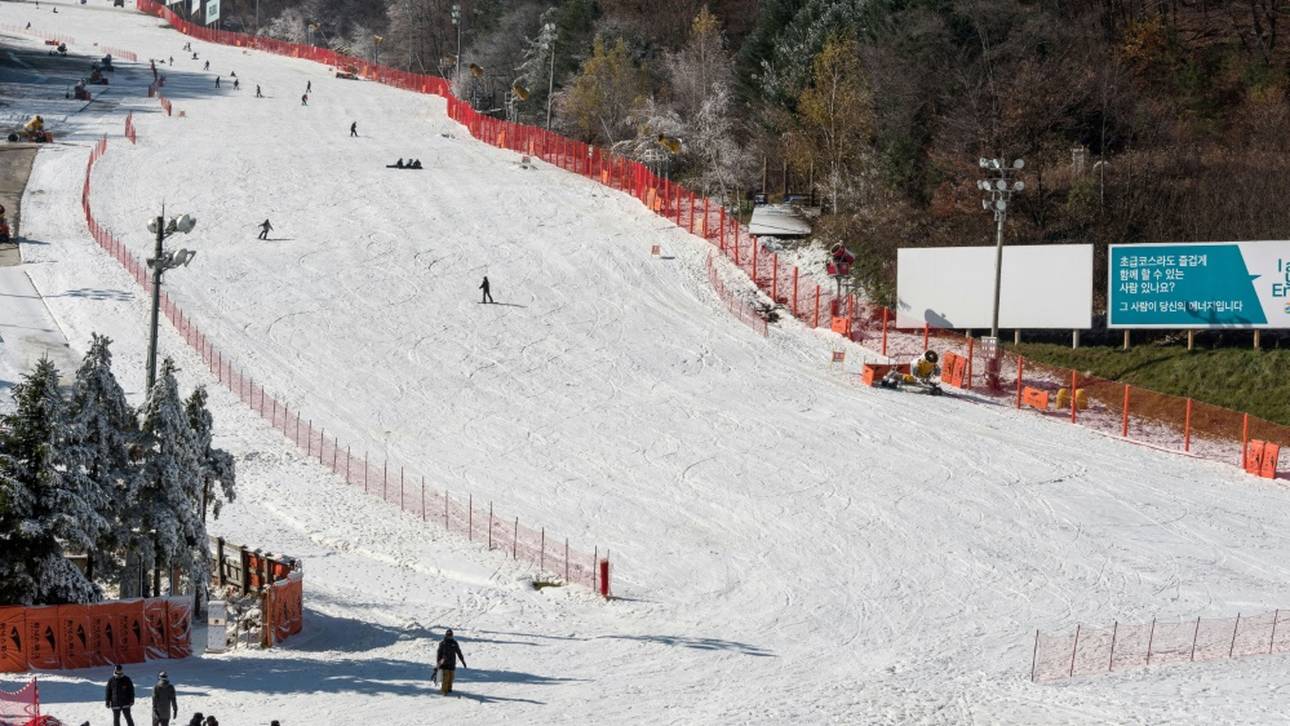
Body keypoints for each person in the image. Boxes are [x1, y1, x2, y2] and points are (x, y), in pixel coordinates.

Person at [436, 629, 467, 694]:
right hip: (444, 663)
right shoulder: (442, 643)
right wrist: (438, 662)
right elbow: (439, 653)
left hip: (452, 663)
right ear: (446, 635)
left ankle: (449, 689)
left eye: (450, 635)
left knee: (451, 677)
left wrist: (462, 661)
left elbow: (459, 652)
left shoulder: (454, 643)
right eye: (448, 635)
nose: (449, 636)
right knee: (446, 678)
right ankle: (444, 691)